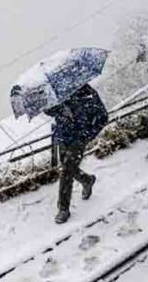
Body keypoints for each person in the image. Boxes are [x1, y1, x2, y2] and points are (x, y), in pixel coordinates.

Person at [44, 83, 108, 224]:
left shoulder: (89, 94)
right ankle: (87, 180)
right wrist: (57, 107)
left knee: (67, 170)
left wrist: (88, 135)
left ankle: (63, 208)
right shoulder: (60, 92)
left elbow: (103, 117)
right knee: (69, 168)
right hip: (62, 136)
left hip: (78, 139)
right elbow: (48, 110)